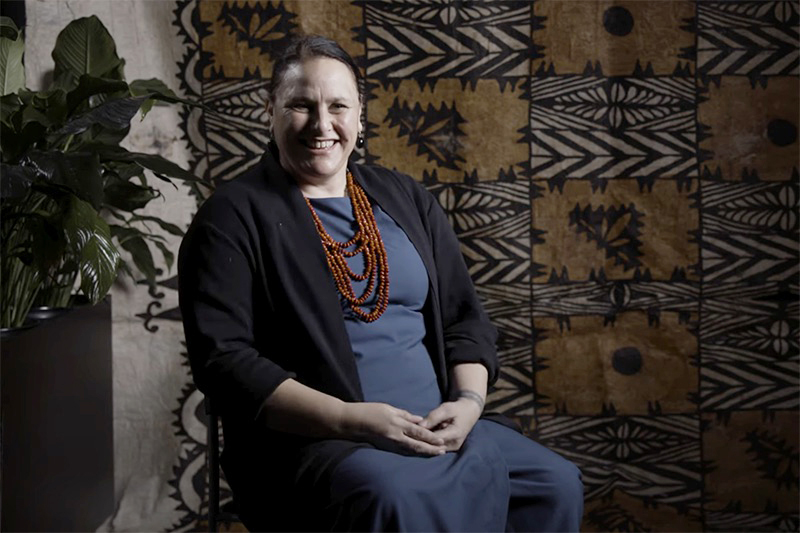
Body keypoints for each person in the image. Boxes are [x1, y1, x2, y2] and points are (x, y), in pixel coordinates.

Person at [178, 34, 583, 532]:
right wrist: (355, 420)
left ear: (361, 116)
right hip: (320, 442)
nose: (322, 125)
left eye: (338, 106)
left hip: (436, 424)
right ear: (271, 111)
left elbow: (465, 320)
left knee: (554, 483)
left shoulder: (405, 198)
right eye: (301, 106)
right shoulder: (231, 217)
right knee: (393, 496)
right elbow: (225, 363)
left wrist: (467, 404)